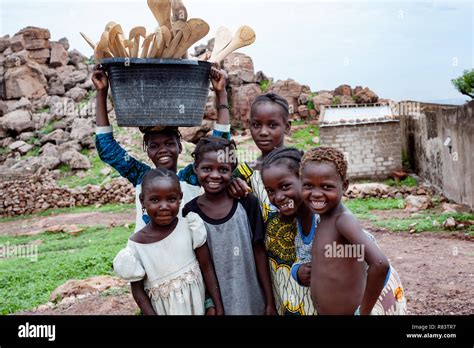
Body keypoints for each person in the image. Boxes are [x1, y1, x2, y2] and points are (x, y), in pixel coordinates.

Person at [92, 64, 231, 232]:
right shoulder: (141, 177)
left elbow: (219, 147)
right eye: (154, 146)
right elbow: (107, 149)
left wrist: (220, 93)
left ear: (180, 147)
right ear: (147, 151)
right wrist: (101, 92)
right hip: (148, 255)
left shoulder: (191, 177)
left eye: (169, 143)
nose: (163, 150)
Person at [300, 146, 407, 315]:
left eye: (326, 187)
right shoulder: (324, 218)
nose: (316, 194)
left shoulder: (342, 220)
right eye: (308, 186)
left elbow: (380, 264)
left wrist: (363, 312)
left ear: (344, 186)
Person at [182, 137, 277, 315]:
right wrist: (210, 302)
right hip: (218, 306)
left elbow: (259, 251)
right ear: (196, 169)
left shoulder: (247, 203)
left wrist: (269, 300)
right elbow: (198, 265)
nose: (215, 175)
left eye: (223, 169)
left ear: (232, 171)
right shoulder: (190, 212)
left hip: (253, 300)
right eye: (207, 168)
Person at [113, 168, 224, 315]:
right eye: (155, 200)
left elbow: (206, 268)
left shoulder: (190, 226)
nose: (164, 206)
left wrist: (214, 304)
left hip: (199, 308)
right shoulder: (136, 247)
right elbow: (138, 292)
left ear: (180, 198)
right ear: (142, 201)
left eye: (171, 199)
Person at [260, 147, 318, 315]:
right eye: (270, 191)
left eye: (285, 186)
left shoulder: (325, 218)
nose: (278, 197)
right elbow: (305, 257)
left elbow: (376, 263)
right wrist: (298, 272)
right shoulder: (299, 220)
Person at [230, 93, 291, 215]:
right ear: (249, 125)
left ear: (287, 127)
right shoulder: (246, 172)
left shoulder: (302, 166)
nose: (263, 132)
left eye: (272, 125)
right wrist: (232, 186)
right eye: (257, 125)